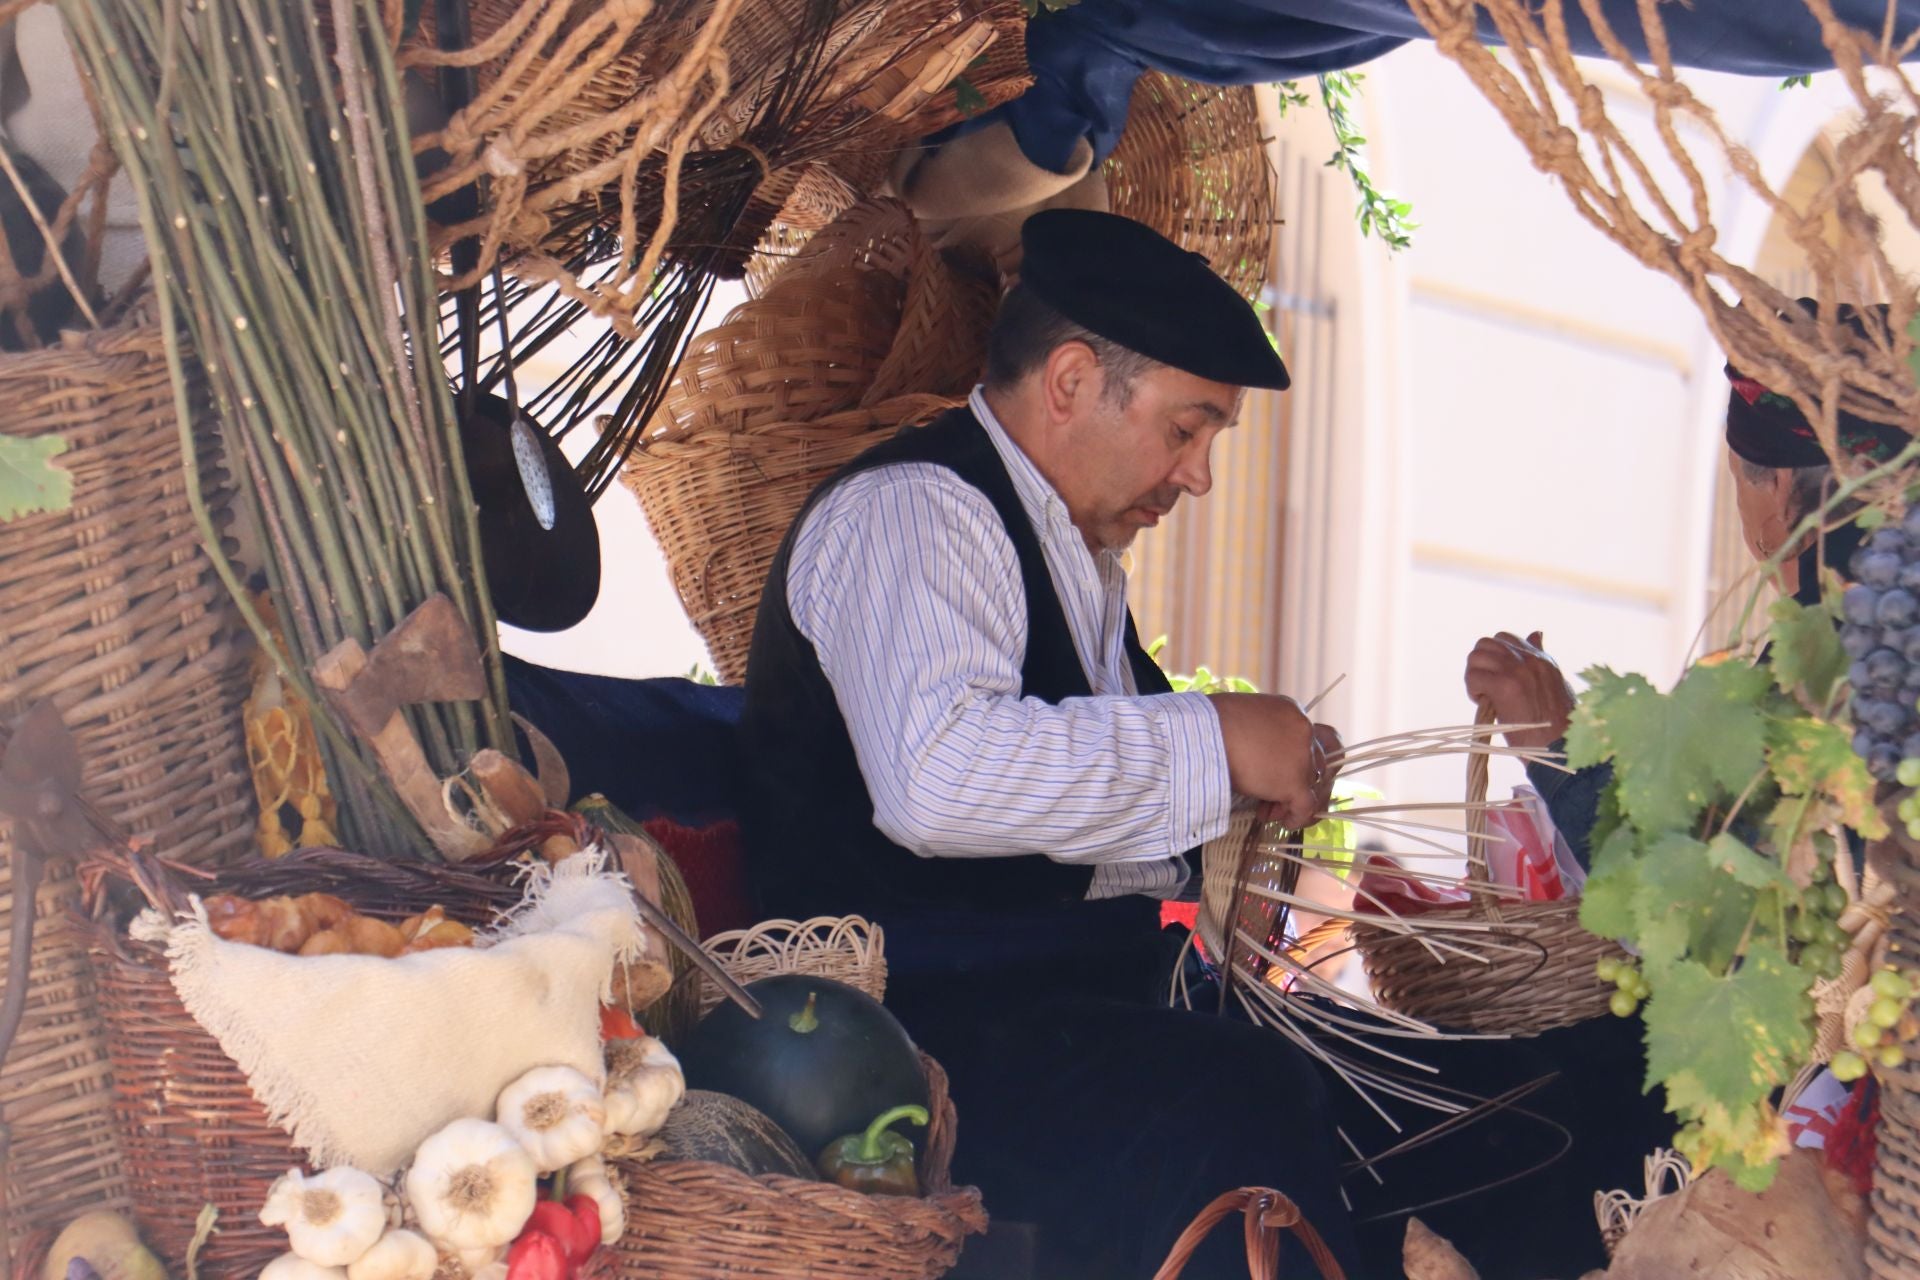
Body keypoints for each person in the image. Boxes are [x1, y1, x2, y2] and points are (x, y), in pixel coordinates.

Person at [741, 209, 1362, 1278]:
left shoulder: (1068, 555)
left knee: (1370, 1089)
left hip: (1045, 1021)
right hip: (898, 1059)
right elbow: (937, 780)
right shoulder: (915, 515)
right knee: (1240, 1098)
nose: (1202, 475)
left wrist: (1236, 814)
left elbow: (1076, 834)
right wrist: (1214, 740)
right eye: (1187, 428)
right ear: (1072, 380)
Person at [1465, 302, 1910, 860]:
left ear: (1776, 486)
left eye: (1737, 482)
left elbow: (1683, 891)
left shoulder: (1823, 671)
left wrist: (1553, 741)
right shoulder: (1892, 629)